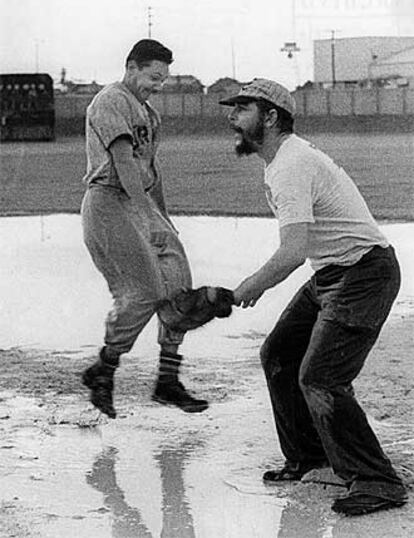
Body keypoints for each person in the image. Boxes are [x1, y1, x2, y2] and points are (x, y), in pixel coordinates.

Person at [219, 78, 407, 516]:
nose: (232, 116)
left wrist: (250, 286)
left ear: (270, 117)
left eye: (243, 109)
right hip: (333, 273)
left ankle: (377, 481)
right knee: (279, 353)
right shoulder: (283, 161)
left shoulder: (290, 164)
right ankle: (310, 457)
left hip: (364, 273)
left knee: (321, 377)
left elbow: (292, 252)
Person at [81, 39, 208, 418]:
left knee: (179, 286)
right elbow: (122, 160)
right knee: (145, 292)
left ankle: (167, 381)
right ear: (131, 67)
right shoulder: (110, 100)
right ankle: (103, 369)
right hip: (109, 201)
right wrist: (144, 215)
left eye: (163, 79)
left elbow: (151, 172)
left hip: (141, 202)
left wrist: (163, 220)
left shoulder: (150, 115)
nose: (158, 85)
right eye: (154, 76)